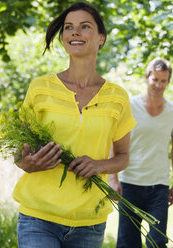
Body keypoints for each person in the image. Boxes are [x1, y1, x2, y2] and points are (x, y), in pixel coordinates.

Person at [13, 2, 136, 248]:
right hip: (38, 216)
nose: (75, 32)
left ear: (101, 38)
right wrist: (26, 163)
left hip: (89, 221)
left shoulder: (117, 97)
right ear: (63, 38)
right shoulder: (40, 89)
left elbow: (122, 157)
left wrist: (98, 165)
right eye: (68, 27)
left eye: (84, 27)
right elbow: (19, 152)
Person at [109, 58, 173, 248]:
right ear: (147, 77)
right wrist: (113, 179)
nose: (159, 85)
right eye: (155, 79)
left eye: (163, 81)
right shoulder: (129, 106)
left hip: (158, 187)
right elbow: (114, 141)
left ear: (168, 82)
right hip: (129, 184)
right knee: (128, 243)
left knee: (157, 241)